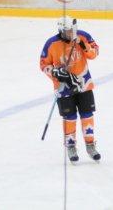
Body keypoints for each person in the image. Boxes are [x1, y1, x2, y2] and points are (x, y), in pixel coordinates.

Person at [39, 16, 101, 163]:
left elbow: (95, 53)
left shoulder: (82, 36)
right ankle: (71, 146)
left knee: (87, 114)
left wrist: (82, 44)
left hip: (84, 84)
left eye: (73, 30)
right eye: (68, 31)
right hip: (64, 88)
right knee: (70, 117)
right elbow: (43, 64)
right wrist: (55, 72)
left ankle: (90, 145)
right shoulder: (51, 43)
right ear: (61, 30)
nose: (72, 33)